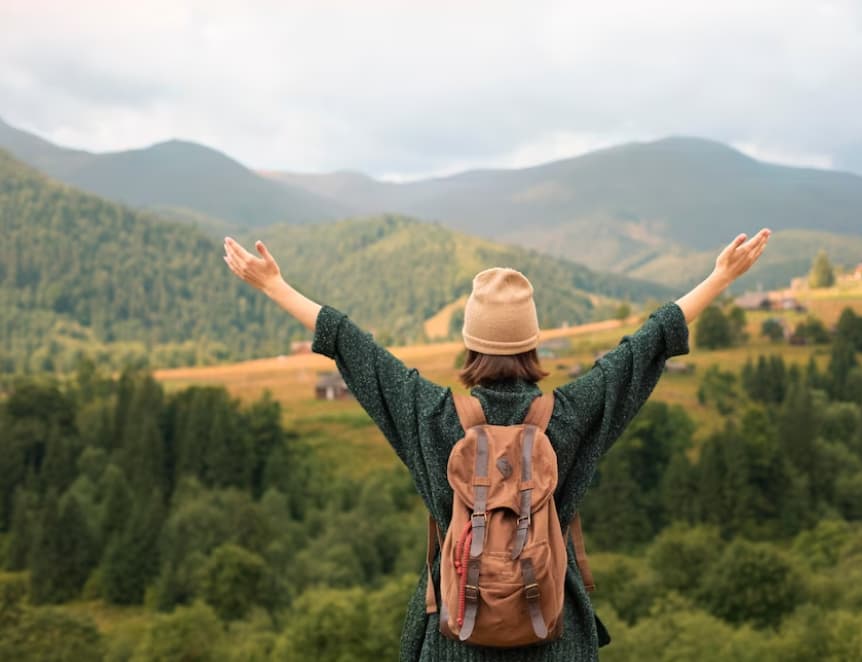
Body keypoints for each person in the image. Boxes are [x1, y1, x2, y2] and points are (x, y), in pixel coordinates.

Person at [223, 228, 771, 661]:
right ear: (532, 342)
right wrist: (720, 277)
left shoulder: (431, 414)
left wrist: (273, 284)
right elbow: (647, 345)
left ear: (469, 342)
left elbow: (352, 346)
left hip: (453, 635)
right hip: (556, 635)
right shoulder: (573, 412)